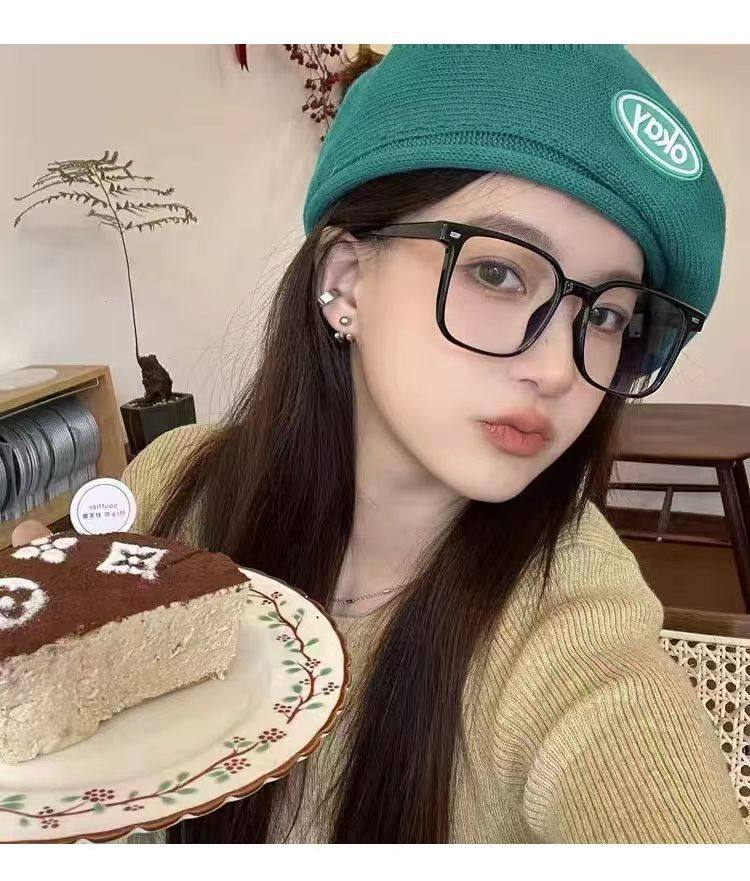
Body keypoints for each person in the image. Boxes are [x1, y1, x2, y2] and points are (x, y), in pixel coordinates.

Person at [14, 44, 750, 844]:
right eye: (499, 273)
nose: (556, 369)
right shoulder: (174, 484)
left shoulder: (568, 622)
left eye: (605, 315)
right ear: (345, 278)